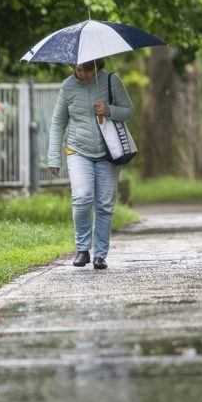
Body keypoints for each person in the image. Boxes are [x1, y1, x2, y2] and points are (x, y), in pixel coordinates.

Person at [47, 59, 133, 270]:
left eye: (88, 70)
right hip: (78, 150)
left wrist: (109, 110)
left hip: (107, 151)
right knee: (82, 196)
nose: (84, 75)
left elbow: (129, 111)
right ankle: (82, 249)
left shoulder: (112, 81)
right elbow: (58, 123)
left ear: (97, 65)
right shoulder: (67, 87)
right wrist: (53, 157)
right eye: (79, 70)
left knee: (104, 204)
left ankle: (100, 255)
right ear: (72, 68)